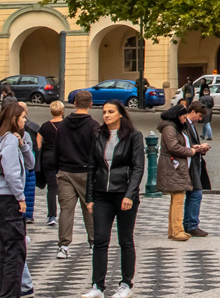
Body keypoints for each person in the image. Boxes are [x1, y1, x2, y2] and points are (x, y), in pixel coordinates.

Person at [81, 100, 145, 298]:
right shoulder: (98, 135)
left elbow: (138, 167)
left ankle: (126, 284)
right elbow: (92, 167)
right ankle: (97, 287)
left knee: (125, 240)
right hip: (101, 195)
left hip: (124, 194)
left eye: (110, 112)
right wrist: (89, 197)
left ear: (120, 114)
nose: (106, 115)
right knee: (100, 240)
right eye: (104, 112)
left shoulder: (134, 136)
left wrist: (130, 194)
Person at [56, 89, 100, 259]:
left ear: (74, 103)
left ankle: (64, 246)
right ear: (90, 104)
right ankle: (94, 242)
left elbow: (57, 148)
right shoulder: (93, 125)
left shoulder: (64, 124)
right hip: (85, 171)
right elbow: (97, 151)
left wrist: (56, 168)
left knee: (66, 210)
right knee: (89, 208)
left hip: (65, 170)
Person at [0, 101, 32, 298]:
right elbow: (12, 172)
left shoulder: (9, 139)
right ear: (14, 119)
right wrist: (20, 197)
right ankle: (11, 293)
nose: (25, 120)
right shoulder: (9, 141)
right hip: (9, 199)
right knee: (15, 251)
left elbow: (30, 162)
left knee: (5, 250)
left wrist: (24, 145)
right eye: (23, 117)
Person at [156, 103, 198, 241]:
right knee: (178, 199)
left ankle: (173, 230)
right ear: (178, 116)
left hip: (177, 166)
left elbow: (179, 144)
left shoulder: (174, 127)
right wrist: (190, 151)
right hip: (173, 166)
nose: (185, 120)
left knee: (177, 199)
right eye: (184, 118)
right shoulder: (169, 127)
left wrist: (193, 147)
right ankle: (177, 230)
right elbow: (173, 146)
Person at [180, 102, 212, 236]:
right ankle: (191, 224)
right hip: (190, 164)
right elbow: (184, 144)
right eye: (199, 116)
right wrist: (198, 147)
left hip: (196, 162)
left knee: (194, 194)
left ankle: (189, 223)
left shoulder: (191, 126)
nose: (200, 119)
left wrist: (201, 149)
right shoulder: (184, 125)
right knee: (195, 194)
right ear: (192, 112)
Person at [36, 100, 64, 227]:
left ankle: (52, 215)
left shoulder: (44, 126)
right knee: (65, 187)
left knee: (51, 188)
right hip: (63, 158)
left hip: (48, 158)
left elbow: (38, 145)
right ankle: (66, 213)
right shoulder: (66, 125)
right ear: (62, 111)